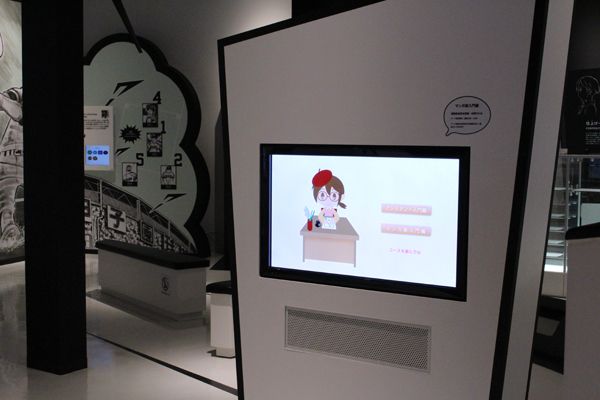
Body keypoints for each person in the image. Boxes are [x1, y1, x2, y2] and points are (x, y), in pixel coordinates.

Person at [0, 87, 23, 244]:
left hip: (13, 157)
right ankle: (10, 233)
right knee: (7, 209)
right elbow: (9, 99)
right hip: (10, 158)